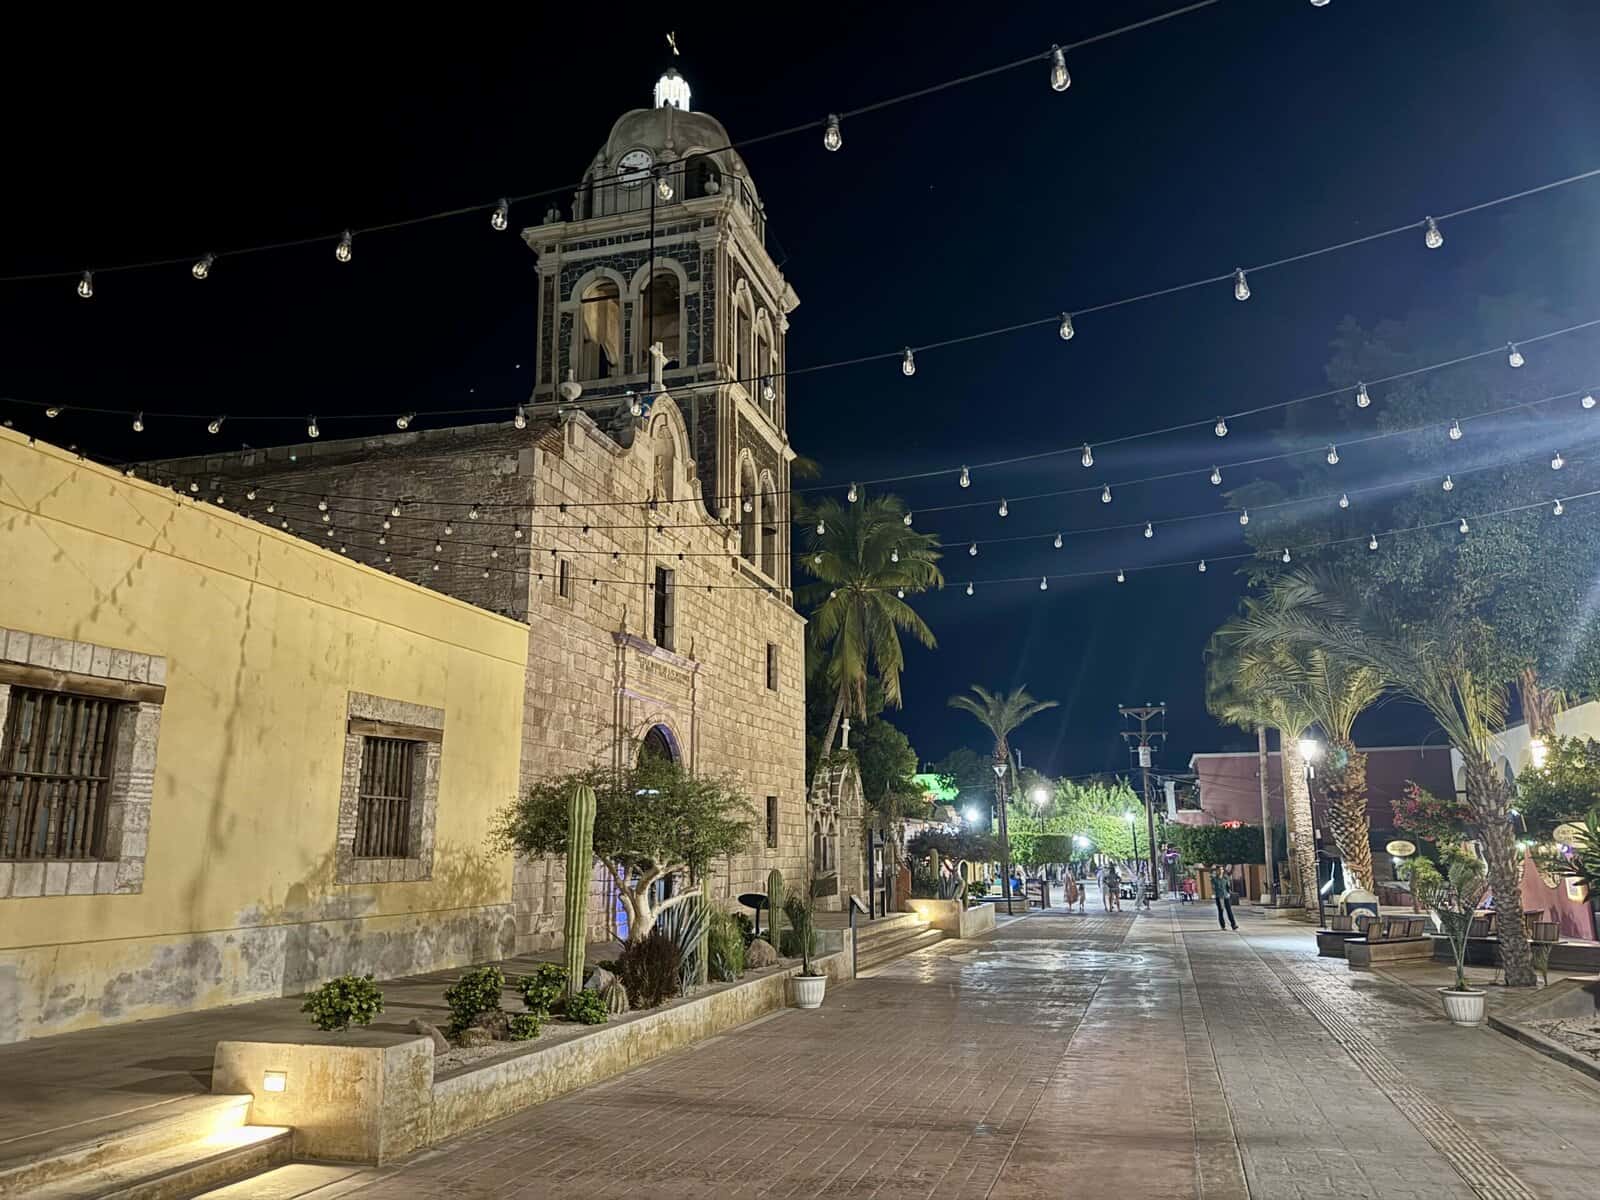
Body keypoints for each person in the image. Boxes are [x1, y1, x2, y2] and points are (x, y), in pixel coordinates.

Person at [1210, 866, 1238, 931]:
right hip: (1219, 897)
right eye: (1219, 870)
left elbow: (1228, 887)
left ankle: (1233, 925)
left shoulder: (1225, 878)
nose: (1220, 871)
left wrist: (1229, 893)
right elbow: (1213, 888)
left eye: (1221, 869)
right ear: (1217, 871)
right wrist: (1214, 894)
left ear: (1223, 870)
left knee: (1229, 911)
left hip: (1226, 896)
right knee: (1221, 911)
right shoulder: (1214, 879)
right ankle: (1223, 926)